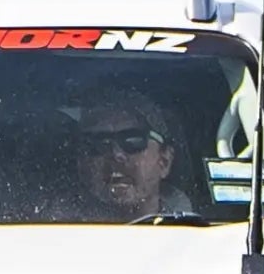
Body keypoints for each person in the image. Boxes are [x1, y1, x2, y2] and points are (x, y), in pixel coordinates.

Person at [66, 89, 192, 221]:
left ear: (165, 160)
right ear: (81, 162)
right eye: (100, 144)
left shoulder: (199, 233)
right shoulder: (53, 233)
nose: (117, 155)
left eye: (133, 141)